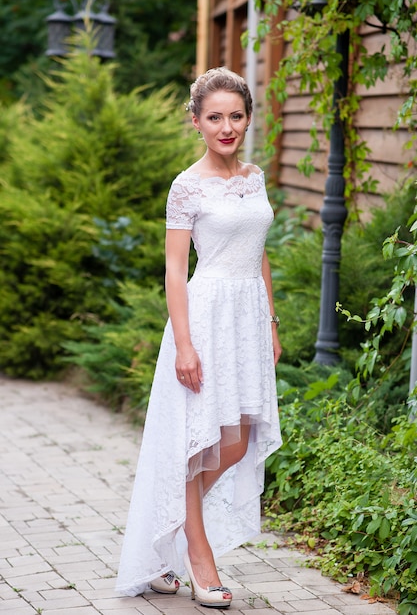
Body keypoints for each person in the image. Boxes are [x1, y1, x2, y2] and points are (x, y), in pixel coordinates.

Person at [116, 67, 282, 608]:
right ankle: (198, 553)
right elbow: (173, 271)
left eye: (236, 116)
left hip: (248, 323)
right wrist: (185, 345)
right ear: (197, 122)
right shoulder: (186, 186)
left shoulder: (254, 178)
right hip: (206, 319)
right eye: (215, 117)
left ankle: (165, 534)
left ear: (248, 118)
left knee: (235, 440)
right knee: (200, 444)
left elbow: (261, 256)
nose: (227, 126)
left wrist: (272, 325)